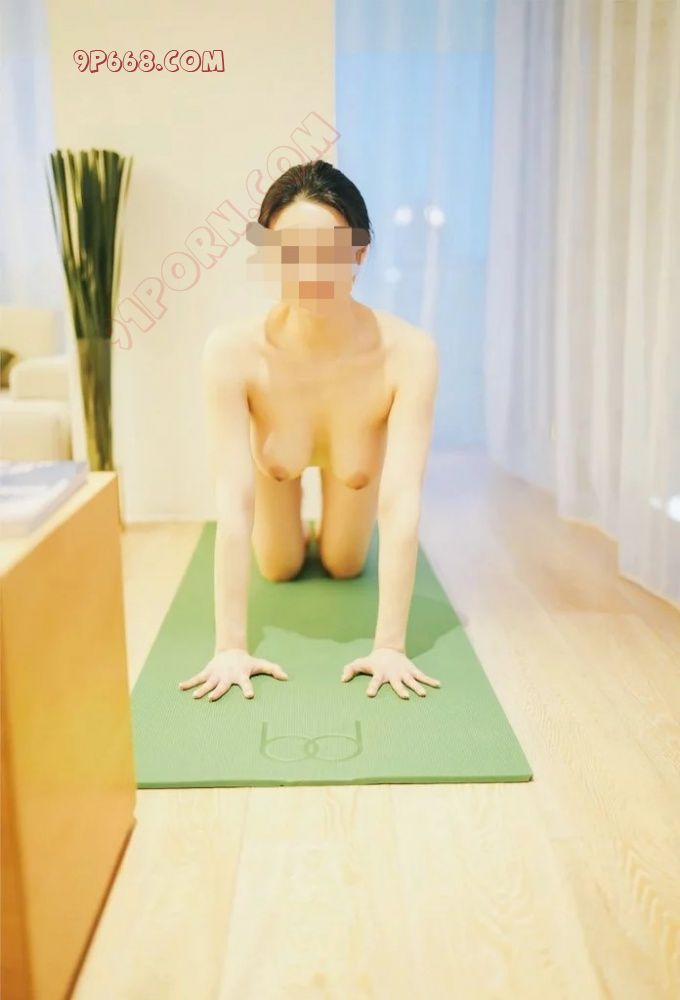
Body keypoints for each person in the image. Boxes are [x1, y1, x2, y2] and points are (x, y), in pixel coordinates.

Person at [179, 159, 441, 703]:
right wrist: (230, 646)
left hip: (355, 472)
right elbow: (233, 501)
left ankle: (332, 527)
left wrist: (390, 646)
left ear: (360, 253)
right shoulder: (231, 351)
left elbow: (401, 502)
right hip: (275, 466)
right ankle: (298, 522)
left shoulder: (410, 353)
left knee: (345, 565)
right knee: (279, 568)